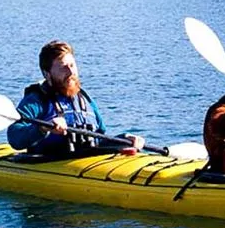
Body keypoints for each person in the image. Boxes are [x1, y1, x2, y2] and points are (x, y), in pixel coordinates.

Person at [8, 40, 143, 158]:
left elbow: (99, 139)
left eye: (72, 65)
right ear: (46, 74)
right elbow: (14, 137)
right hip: (48, 164)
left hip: (85, 164)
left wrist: (124, 139)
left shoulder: (85, 100)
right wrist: (42, 128)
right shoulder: (36, 100)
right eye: (63, 67)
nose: (71, 72)